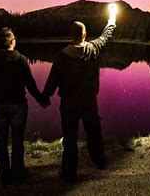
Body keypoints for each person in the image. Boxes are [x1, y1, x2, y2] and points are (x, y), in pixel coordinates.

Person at [40, 17, 116, 182]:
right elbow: (105, 37)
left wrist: (44, 97)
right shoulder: (93, 48)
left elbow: (53, 80)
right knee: (94, 133)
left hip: (68, 104)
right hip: (89, 102)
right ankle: (99, 161)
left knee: (70, 138)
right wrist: (111, 21)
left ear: (70, 35)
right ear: (85, 35)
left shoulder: (61, 56)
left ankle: (69, 172)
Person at [0, 27, 43, 185]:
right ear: (11, 42)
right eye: (14, 39)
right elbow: (30, 84)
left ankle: (4, 173)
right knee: (17, 140)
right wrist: (40, 98)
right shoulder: (21, 59)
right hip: (17, 104)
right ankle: (18, 172)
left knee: (1, 141)